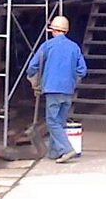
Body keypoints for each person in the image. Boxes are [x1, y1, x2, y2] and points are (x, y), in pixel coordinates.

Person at [25, 15, 87, 163]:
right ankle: (54, 152)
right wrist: (72, 80)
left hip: (52, 89)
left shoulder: (48, 45)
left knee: (52, 122)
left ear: (53, 30)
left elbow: (32, 66)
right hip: (68, 90)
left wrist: (35, 81)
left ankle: (67, 149)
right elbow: (82, 70)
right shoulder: (74, 47)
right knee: (60, 122)